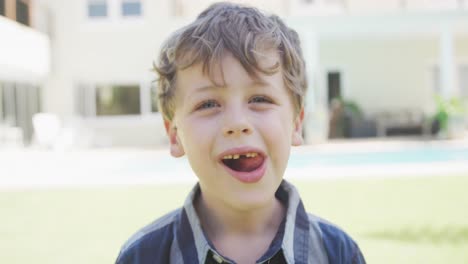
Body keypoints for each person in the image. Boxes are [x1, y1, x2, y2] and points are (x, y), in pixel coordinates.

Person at [115, 2, 366, 264]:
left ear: (295, 123)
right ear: (175, 135)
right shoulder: (142, 256)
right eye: (208, 104)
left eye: (260, 98)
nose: (237, 123)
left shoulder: (338, 253)